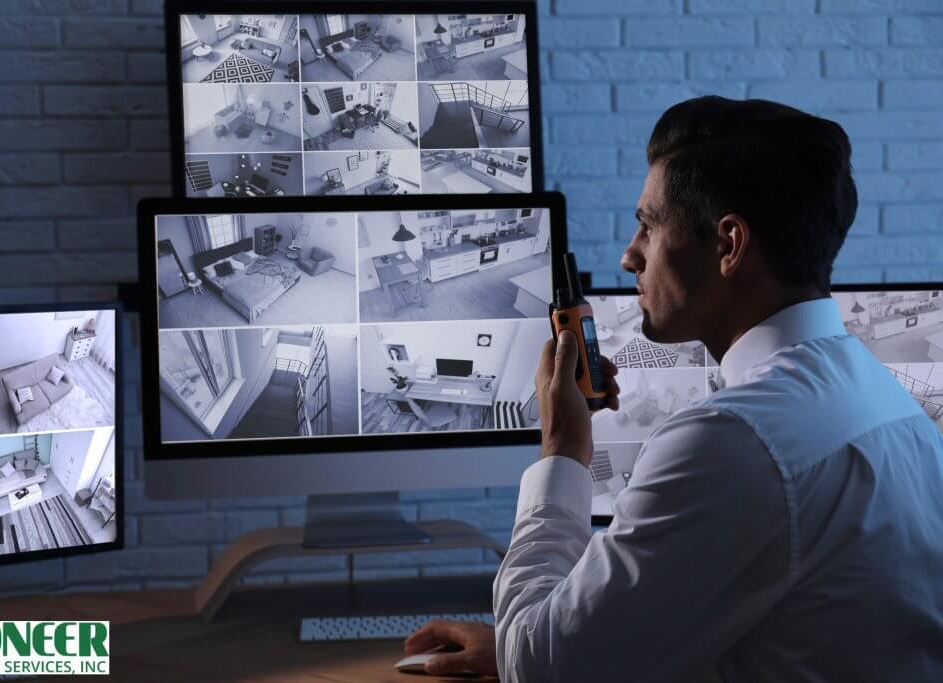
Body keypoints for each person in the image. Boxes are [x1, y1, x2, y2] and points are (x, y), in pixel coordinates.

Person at [404, 96, 943, 681]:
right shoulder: (890, 403)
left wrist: (563, 446)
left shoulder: (732, 440)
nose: (629, 256)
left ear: (729, 245)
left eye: (648, 225)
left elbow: (543, 670)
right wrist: (532, 639)